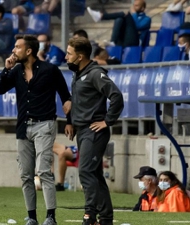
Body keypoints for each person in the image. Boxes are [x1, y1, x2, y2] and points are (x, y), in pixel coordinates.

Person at [0, 34, 73, 225]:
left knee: (44, 171)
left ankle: (50, 217)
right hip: (23, 127)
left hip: (44, 125)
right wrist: (6, 69)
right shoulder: (16, 71)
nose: (14, 50)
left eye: (17, 47)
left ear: (29, 51)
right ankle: (32, 217)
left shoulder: (50, 70)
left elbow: (66, 96)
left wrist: (69, 121)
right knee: (26, 175)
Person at [66, 37, 124, 225]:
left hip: (94, 131)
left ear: (80, 56)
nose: (66, 57)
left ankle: (89, 215)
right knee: (95, 174)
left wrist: (108, 121)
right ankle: (106, 218)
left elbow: (116, 96)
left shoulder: (95, 73)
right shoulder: (78, 73)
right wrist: (72, 122)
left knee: (85, 171)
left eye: (69, 54)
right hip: (82, 130)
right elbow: (82, 103)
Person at [87, 0, 151, 47]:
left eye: (136, 6)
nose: (134, 8)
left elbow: (137, 26)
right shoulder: (131, 17)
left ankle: (101, 16)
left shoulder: (147, 19)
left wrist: (133, 14)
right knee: (120, 18)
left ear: (142, 8)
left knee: (124, 14)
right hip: (125, 40)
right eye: (134, 6)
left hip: (136, 42)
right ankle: (113, 41)